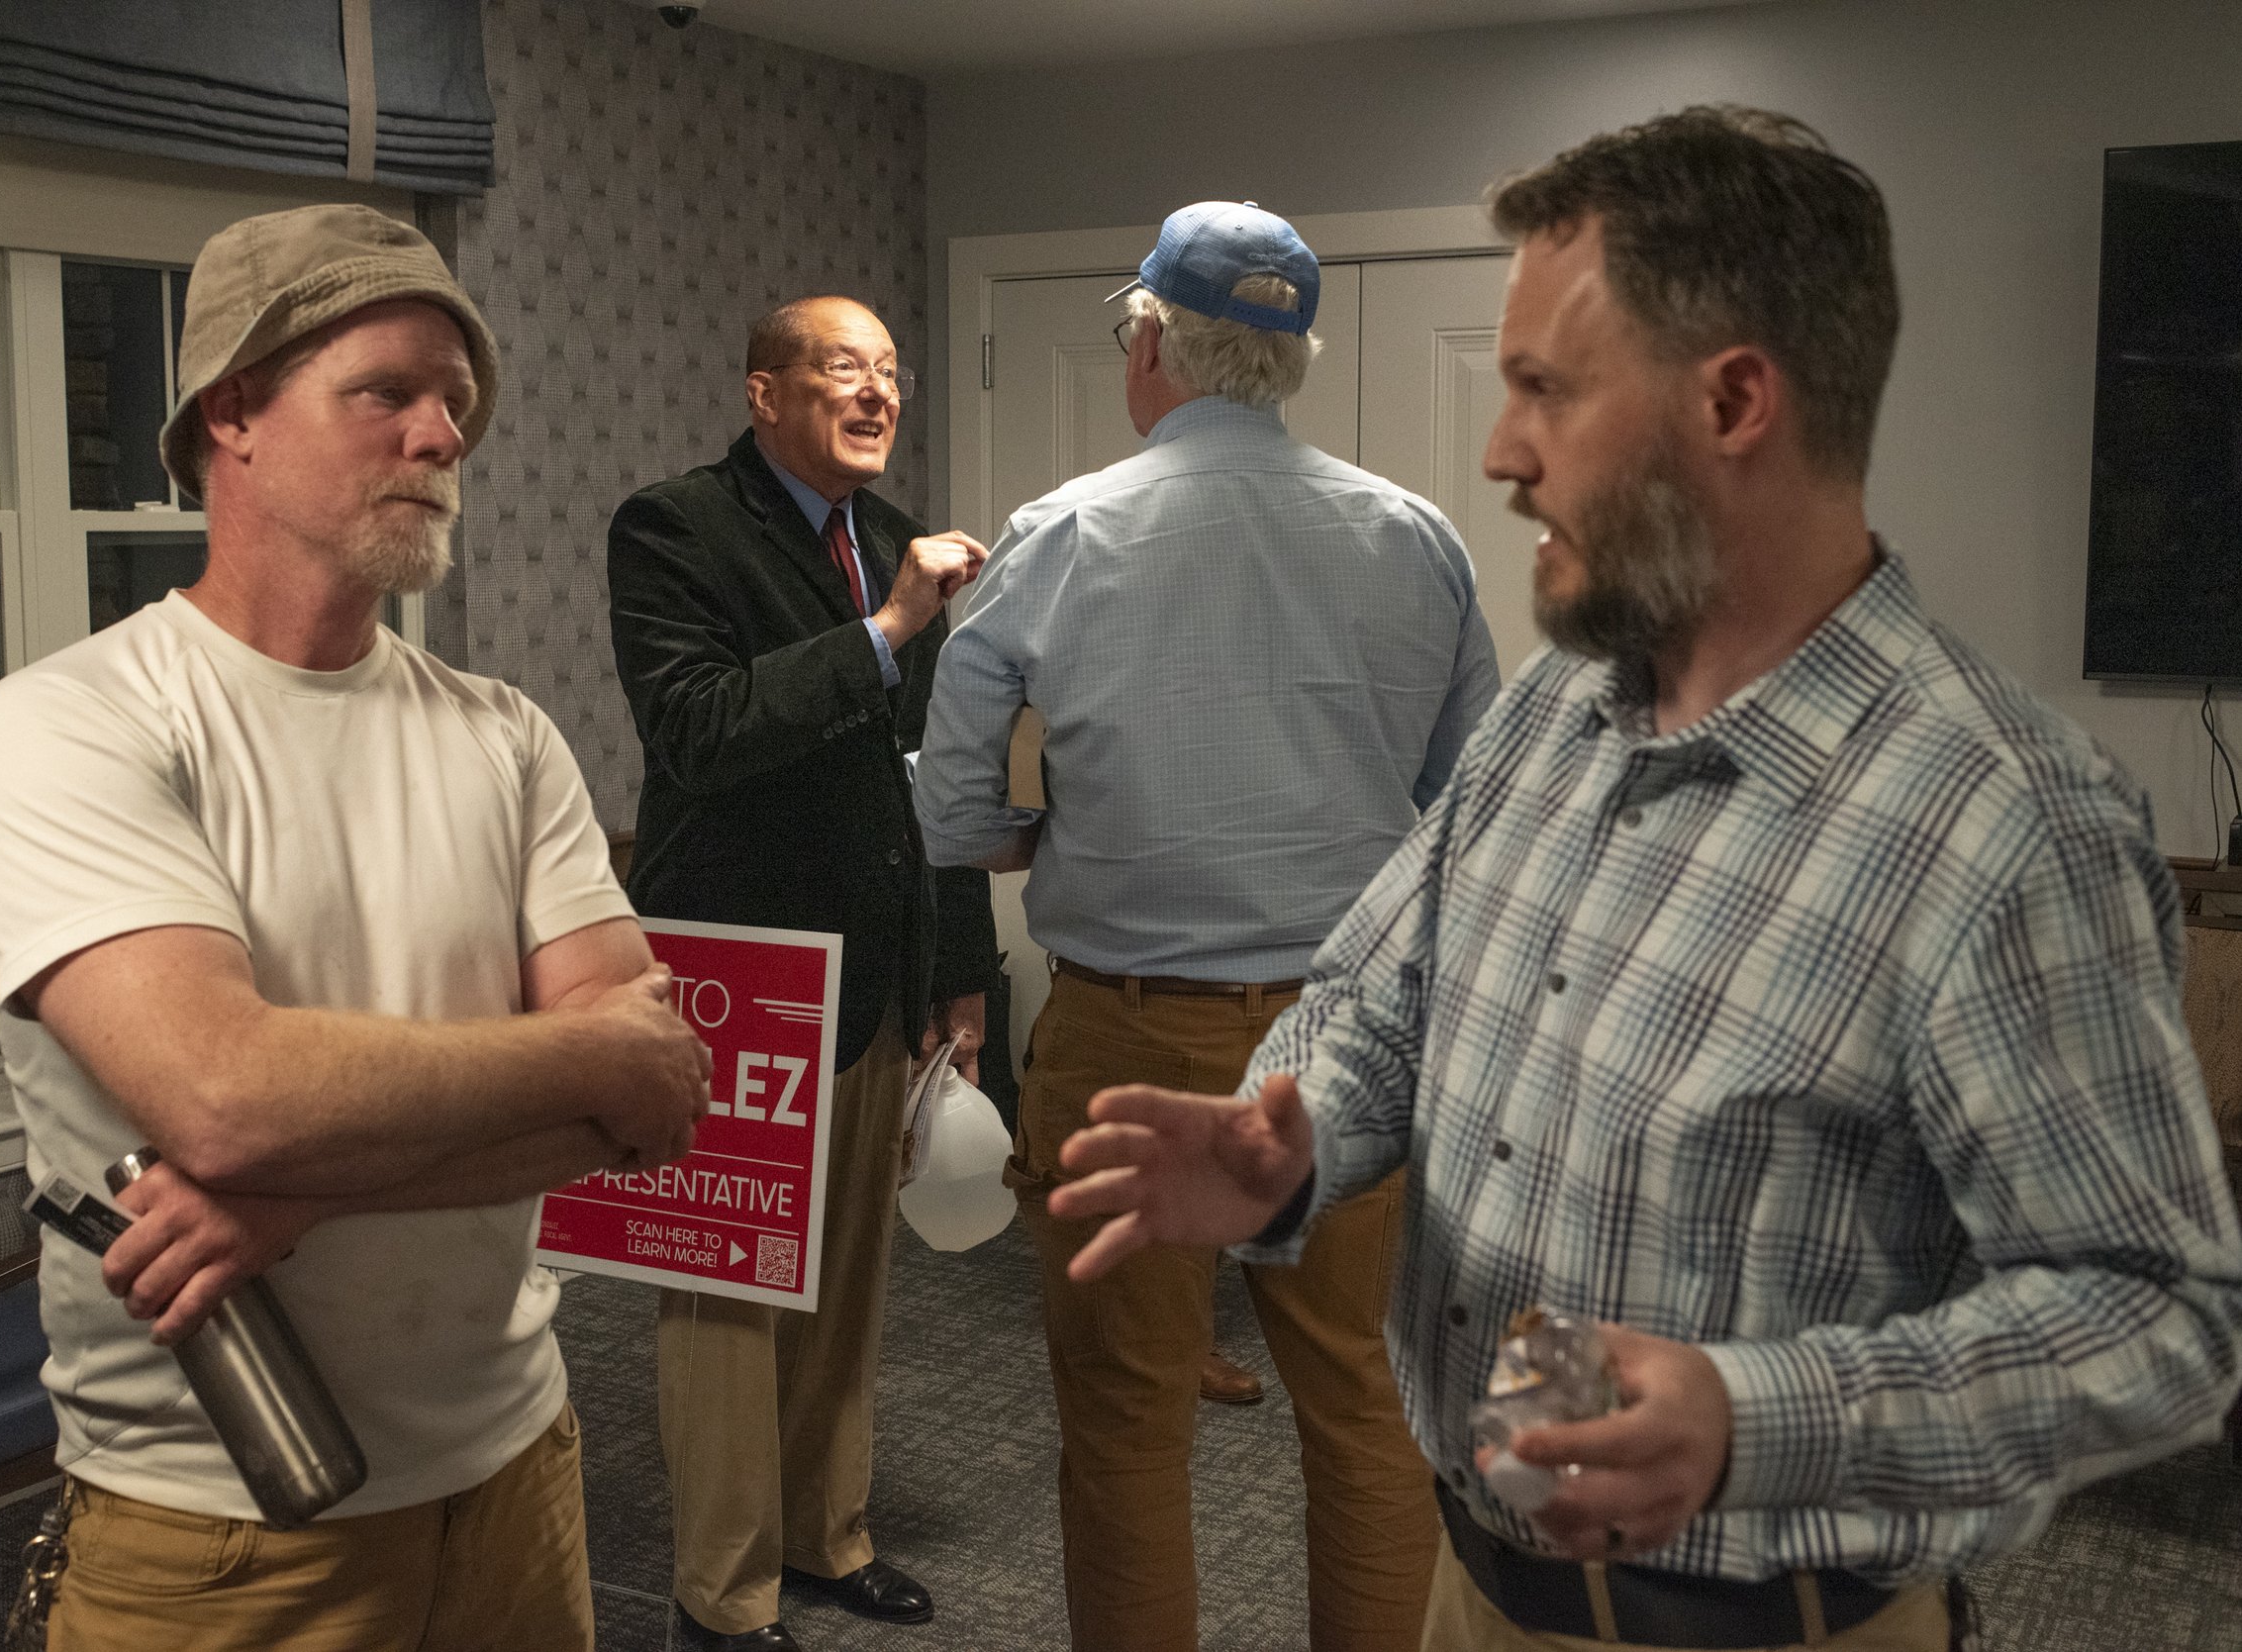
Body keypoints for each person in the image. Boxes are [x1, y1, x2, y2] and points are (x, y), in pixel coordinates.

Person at [1047, 109, 2242, 1652]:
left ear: (1735, 397)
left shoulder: (2002, 822)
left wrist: (1757, 1415)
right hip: (1472, 1586)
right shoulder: (1556, 711)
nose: (1501, 449)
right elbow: (1376, 993)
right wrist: (1297, 1133)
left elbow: (2160, 1312)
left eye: (1547, 387)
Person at [0, 203, 714, 1651]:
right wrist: (574, 1055)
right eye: (388, 392)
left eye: (456, 404)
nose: (442, 437)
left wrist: (301, 1194)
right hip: (218, 1529)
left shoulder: (505, 734)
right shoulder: (67, 727)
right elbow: (227, 1093)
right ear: (230, 412)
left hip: (519, 1477)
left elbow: (657, 1097)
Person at [914, 200, 1499, 1651]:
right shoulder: (1413, 538)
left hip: (1121, 1028)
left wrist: (1063, 831)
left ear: (1151, 344)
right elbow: (1469, 812)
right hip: (1349, 1043)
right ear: (1290, 357)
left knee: (1125, 1422)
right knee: (1367, 1405)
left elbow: (949, 823)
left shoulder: (1058, 537)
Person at [606, 295, 997, 1652]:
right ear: (766, 389)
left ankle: (827, 1538)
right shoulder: (676, 528)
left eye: (892, 370)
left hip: (877, 972)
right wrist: (887, 628)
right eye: (846, 368)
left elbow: (934, 778)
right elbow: (701, 731)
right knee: (729, 1295)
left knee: (845, 1280)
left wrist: (963, 970)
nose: (879, 392)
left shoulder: (891, 541)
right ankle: (723, 1592)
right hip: (740, 974)